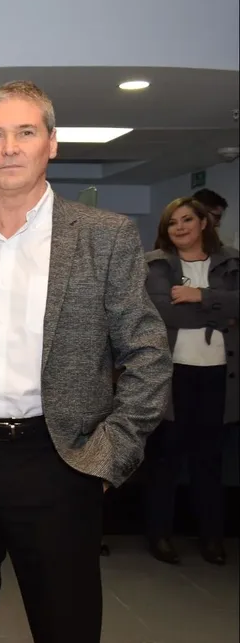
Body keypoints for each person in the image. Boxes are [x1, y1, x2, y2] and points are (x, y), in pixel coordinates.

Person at [0, 80, 172, 643]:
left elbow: (148, 355)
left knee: (65, 625)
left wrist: (107, 455)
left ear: (52, 143)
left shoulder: (104, 236)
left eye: (25, 132)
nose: (10, 147)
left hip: (58, 459)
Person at [143, 197, 239, 566]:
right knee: (165, 459)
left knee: (209, 460)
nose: (179, 228)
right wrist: (220, 313)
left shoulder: (230, 262)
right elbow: (164, 313)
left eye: (186, 220)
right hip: (174, 375)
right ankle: (159, 536)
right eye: (172, 223)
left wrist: (200, 296)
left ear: (204, 223)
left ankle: (212, 539)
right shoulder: (155, 265)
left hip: (219, 375)